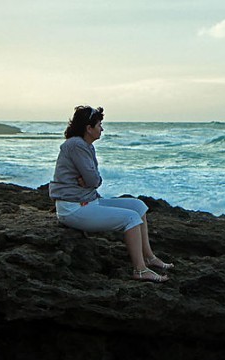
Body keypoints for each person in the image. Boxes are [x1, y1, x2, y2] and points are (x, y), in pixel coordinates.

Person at [49, 105, 172, 282]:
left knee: (138, 206)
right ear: (88, 128)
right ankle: (140, 270)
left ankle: (149, 257)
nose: (102, 129)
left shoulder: (86, 146)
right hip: (73, 208)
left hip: (88, 201)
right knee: (131, 218)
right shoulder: (76, 145)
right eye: (99, 125)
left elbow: (93, 180)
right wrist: (90, 181)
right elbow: (93, 180)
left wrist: (90, 181)